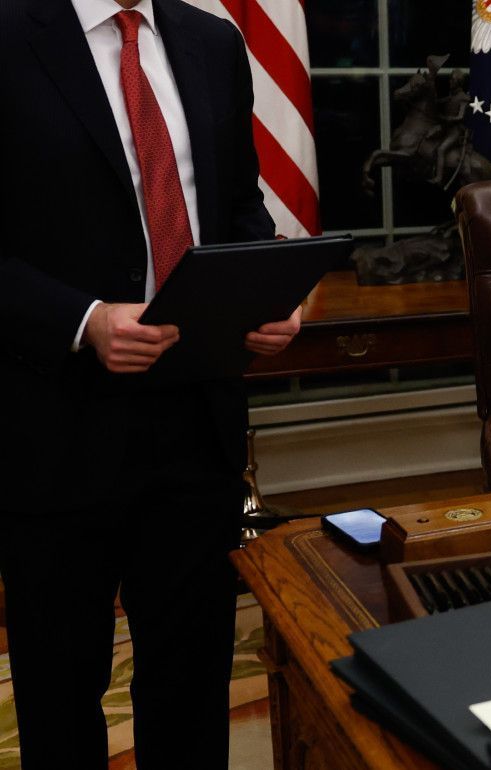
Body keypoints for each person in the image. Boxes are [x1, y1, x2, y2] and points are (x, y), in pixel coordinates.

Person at [0, 0, 300, 766]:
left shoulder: (212, 41)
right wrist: (84, 319)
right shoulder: (11, 33)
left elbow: (236, 207)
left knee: (191, 682)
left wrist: (264, 294)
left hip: (197, 418)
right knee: (60, 692)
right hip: (54, 424)